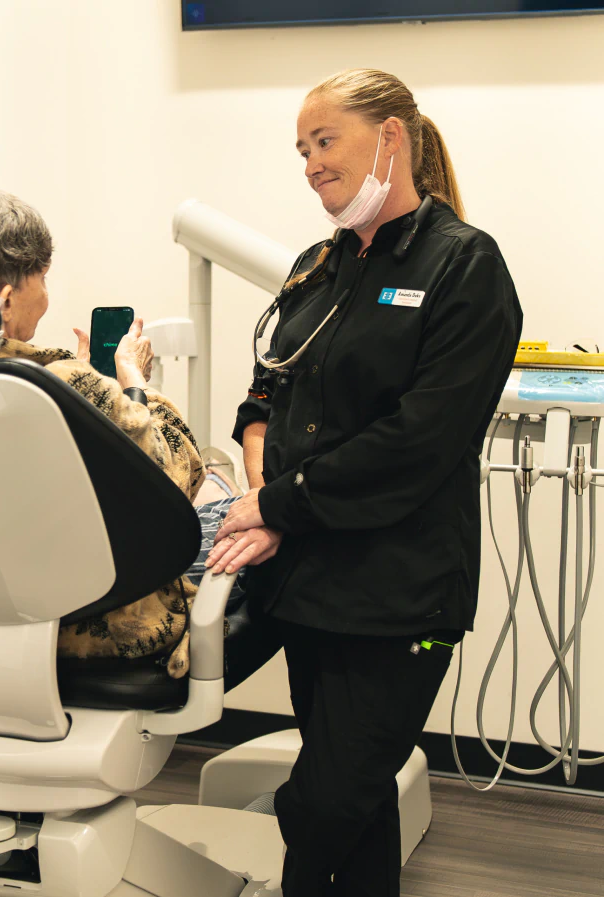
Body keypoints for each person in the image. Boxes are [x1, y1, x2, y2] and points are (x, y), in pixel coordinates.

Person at [207, 69, 523, 896]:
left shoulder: (465, 266)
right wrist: (261, 480)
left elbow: (419, 439)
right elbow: (266, 390)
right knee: (359, 792)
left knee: (323, 798)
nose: (309, 163)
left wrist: (278, 503)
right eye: (301, 149)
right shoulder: (319, 264)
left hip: (400, 589)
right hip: (309, 577)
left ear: (391, 138)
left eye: (325, 141)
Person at [0, 188, 208, 678]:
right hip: (81, 636)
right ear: (5, 299)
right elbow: (176, 480)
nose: (47, 294)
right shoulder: (67, 387)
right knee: (235, 512)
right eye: (43, 278)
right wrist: (132, 386)